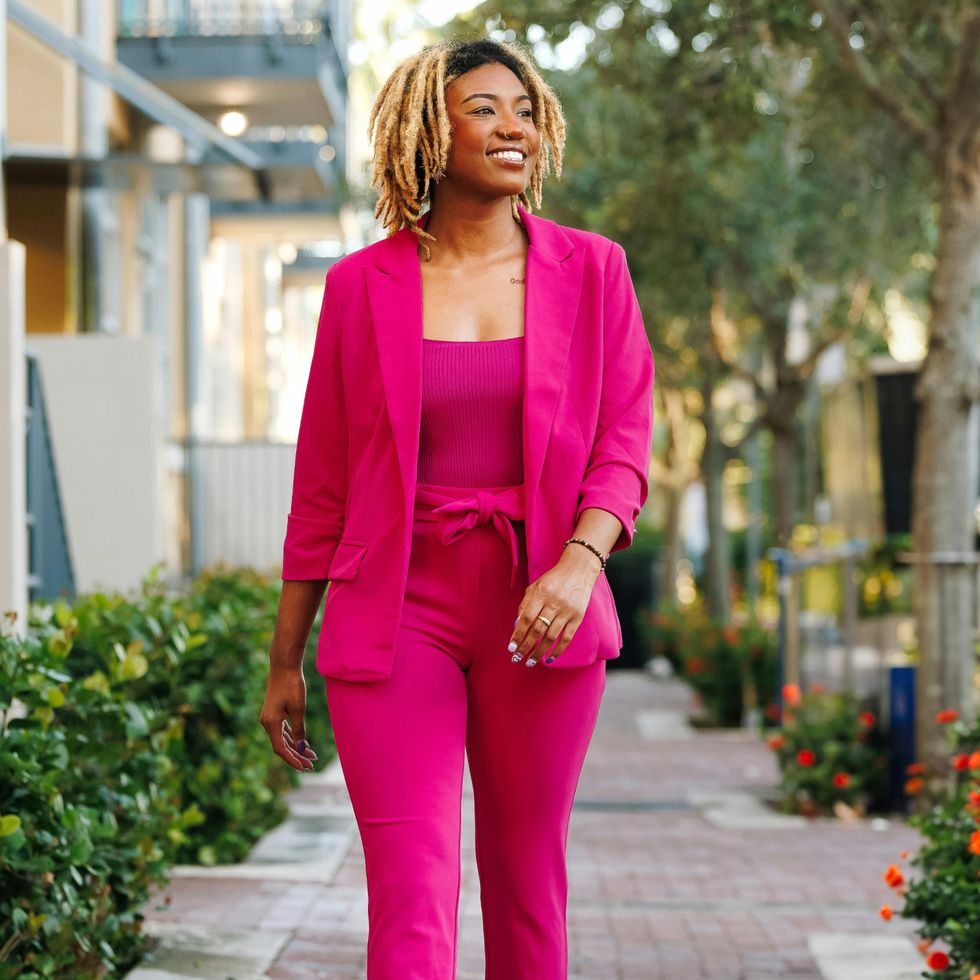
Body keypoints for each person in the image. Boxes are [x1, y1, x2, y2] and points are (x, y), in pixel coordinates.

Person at [260, 35, 655, 980]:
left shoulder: (595, 270)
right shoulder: (360, 287)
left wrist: (578, 562)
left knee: (526, 883)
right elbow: (321, 483)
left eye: (523, 108)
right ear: (427, 135)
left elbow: (626, 442)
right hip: (395, 612)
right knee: (411, 890)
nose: (512, 125)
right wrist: (284, 657)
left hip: (541, 611)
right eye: (484, 109)